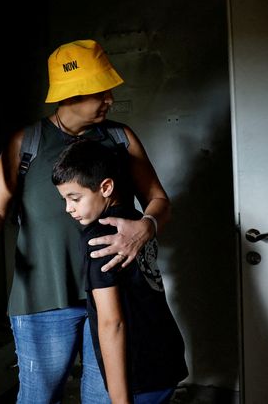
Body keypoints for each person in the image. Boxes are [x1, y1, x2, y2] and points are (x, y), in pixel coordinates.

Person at [0, 39, 170, 403]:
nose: (110, 100)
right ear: (71, 95)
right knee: (40, 397)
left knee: (105, 397)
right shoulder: (27, 143)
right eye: (100, 92)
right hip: (43, 298)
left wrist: (146, 227)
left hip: (110, 297)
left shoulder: (120, 139)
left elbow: (159, 200)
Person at [51, 139, 187, 404]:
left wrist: (120, 401)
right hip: (166, 355)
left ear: (106, 187)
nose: (68, 208)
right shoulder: (136, 222)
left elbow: (111, 322)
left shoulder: (97, 238)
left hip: (139, 370)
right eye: (64, 199)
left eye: (74, 198)